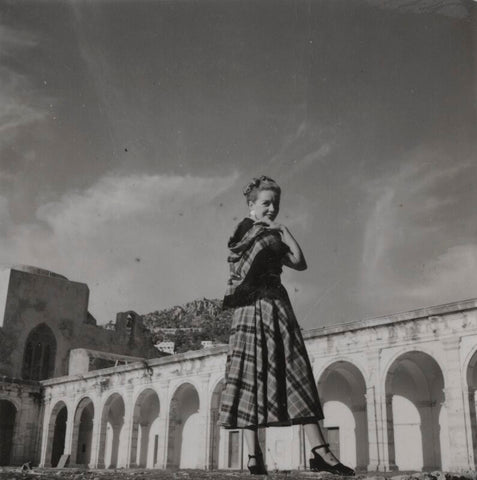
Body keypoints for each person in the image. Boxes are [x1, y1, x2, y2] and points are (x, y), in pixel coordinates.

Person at [218, 176, 354, 476]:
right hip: (252, 309)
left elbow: (299, 262)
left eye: (276, 204)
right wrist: (275, 233)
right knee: (249, 376)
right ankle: (255, 457)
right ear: (251, 204)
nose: (272, 209)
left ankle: (319, 452)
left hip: (274, 308)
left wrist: (286, 232)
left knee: (294, 369)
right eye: (266, 203)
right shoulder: (246, 231)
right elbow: (273, 260)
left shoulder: (270, 233)